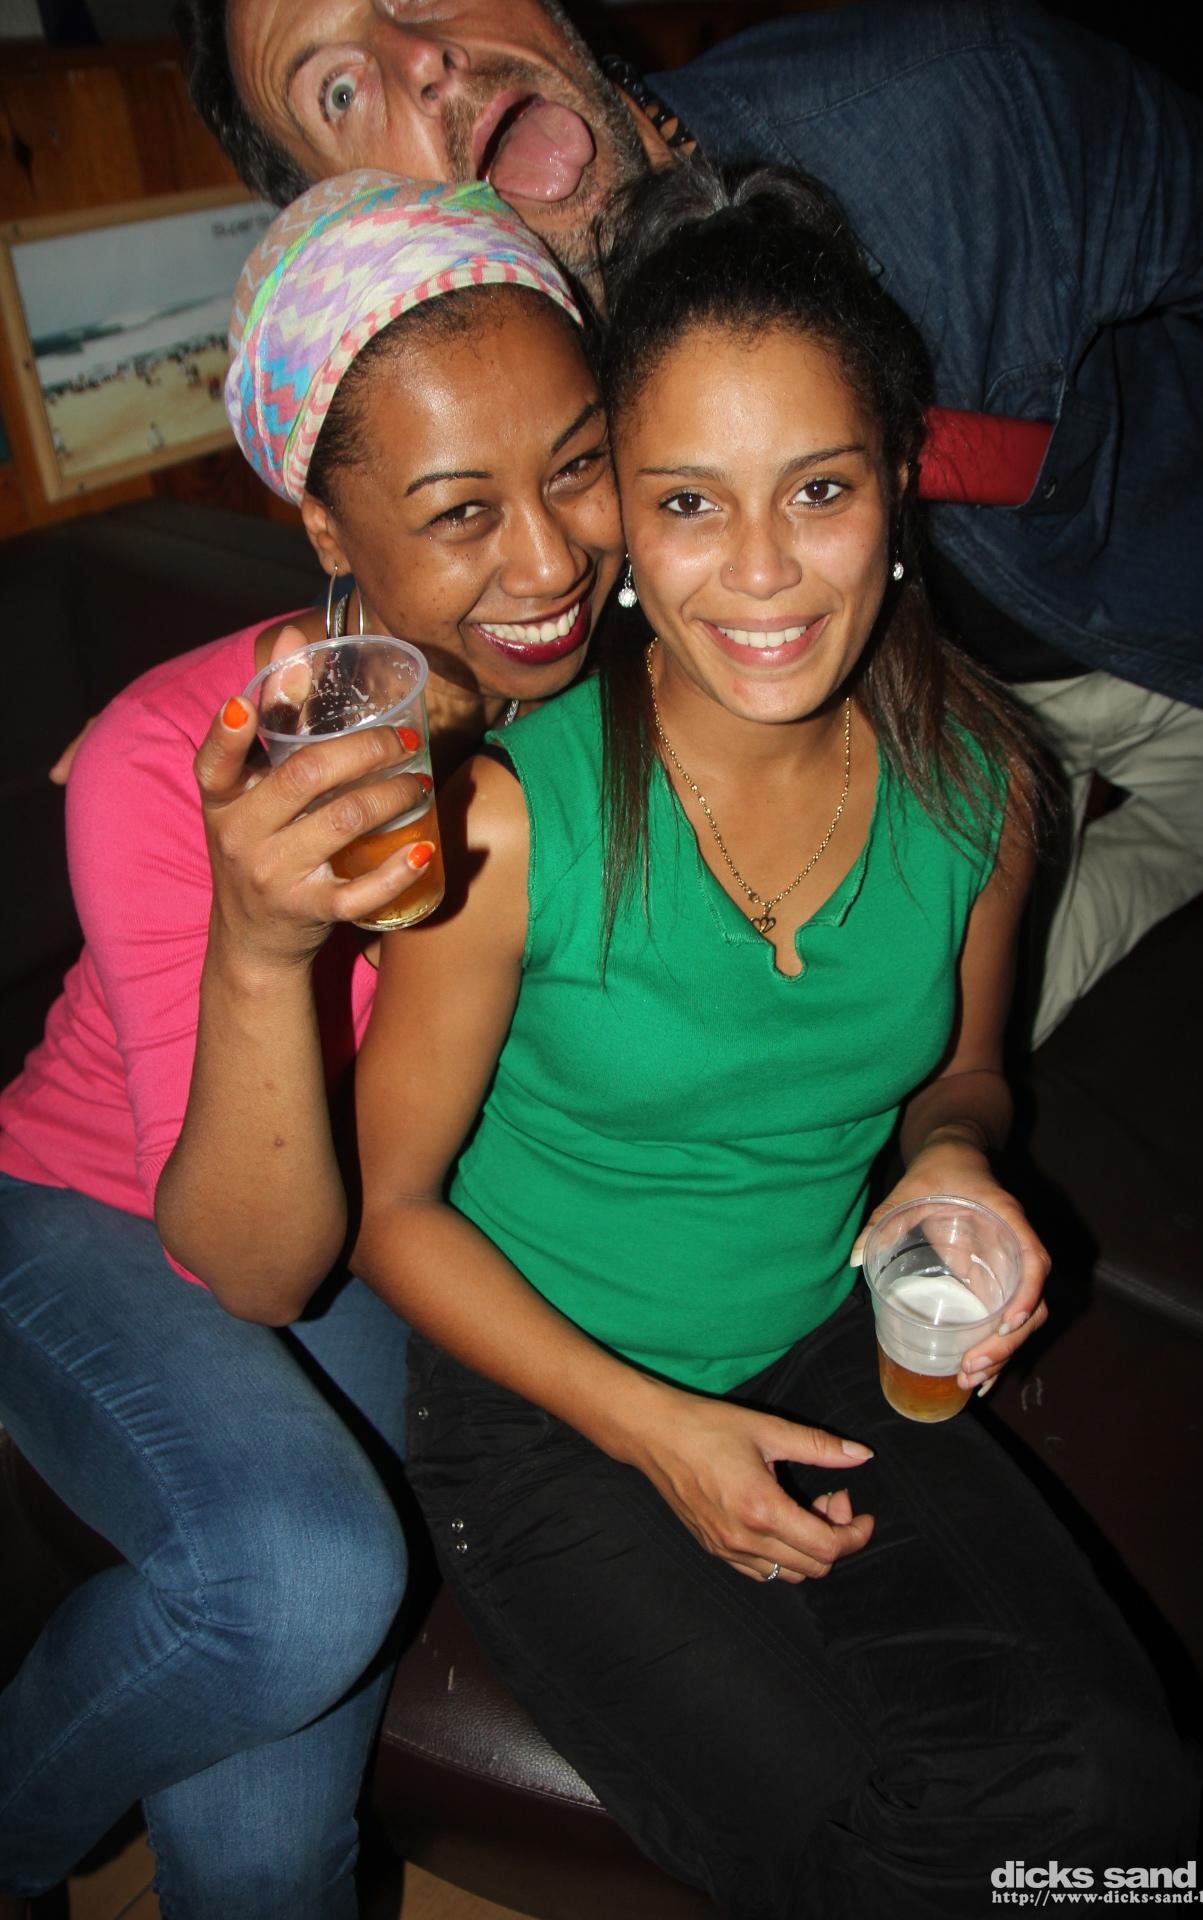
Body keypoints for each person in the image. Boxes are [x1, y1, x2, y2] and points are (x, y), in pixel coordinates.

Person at [349, 162, 1200, 1916]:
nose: (759, 570)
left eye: (817, 488)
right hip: (543, 1402)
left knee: (1130, 1790)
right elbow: (391, 1213)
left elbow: (968, 1073)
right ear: (627, 528)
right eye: (687, 502)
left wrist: (953, 1161)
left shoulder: (989, 788)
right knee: (863, 1852)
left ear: (897, 489)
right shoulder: (509, 823)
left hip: (823, 1349)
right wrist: (657, 1430)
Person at [177, 0, 1203, 1042]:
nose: (422, 57)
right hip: (924, 734)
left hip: (1199, 636)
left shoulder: (961, 99)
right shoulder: (489, 392)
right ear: (348, 204)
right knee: (895, 1065)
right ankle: (1163, 845)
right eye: (337, 89)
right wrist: (246, 711)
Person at [0, 174, 622, 1918]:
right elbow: (254, 1265)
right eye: (458, 509)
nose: (549, 562)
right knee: (299, 1581)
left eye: (578, 467)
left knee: (271, 1856)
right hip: (94, 1207)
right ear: (329, 527)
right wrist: (267, 948)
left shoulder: (601, 688)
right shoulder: (169, 761)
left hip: (363, 1201)